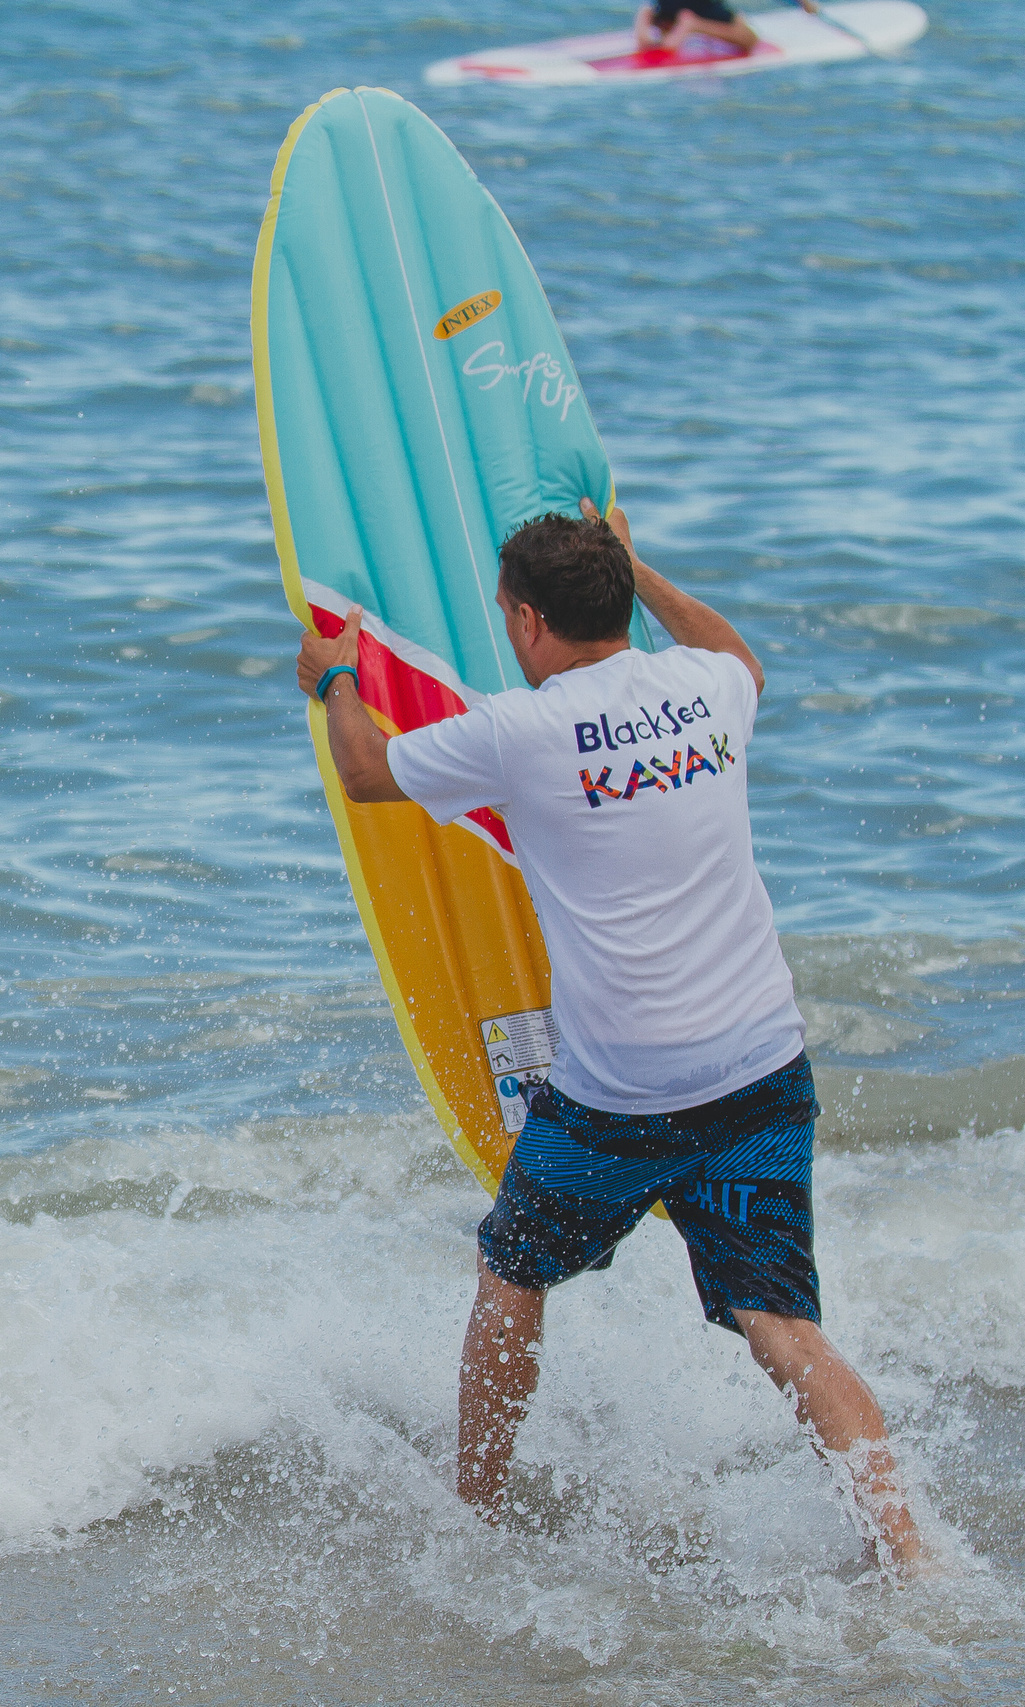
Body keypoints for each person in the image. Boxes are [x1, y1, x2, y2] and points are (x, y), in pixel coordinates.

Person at [293, 500, 931, 1573]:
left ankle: (474, 1519)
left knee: (510, 1274)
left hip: (618, 1096)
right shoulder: (709, 688)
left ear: (530, 622)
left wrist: (335, 677)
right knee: (782, 1328)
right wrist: (642, 572)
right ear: (625, 600)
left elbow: (365, 772)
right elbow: (737, 654)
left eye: (506, 617)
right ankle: (910, 1558)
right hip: (761, 1063)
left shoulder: (521, 730)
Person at [635, 0, 821, 55]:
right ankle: (693, 25)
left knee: (662, 12)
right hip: (700, 7)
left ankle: (646, 17)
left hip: (666, 6)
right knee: (749, 38)